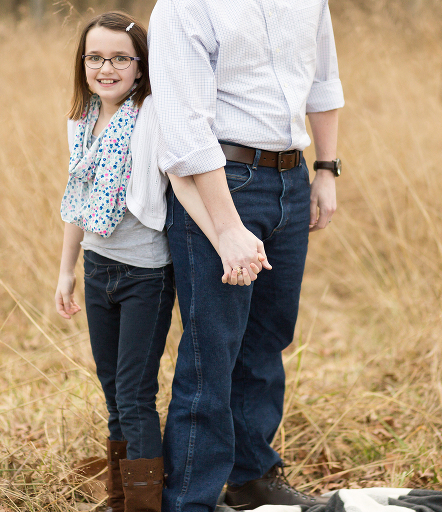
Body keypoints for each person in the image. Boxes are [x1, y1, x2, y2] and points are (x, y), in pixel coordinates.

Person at [54, 12, 262, 512]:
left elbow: (182, 182)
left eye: (120, 58)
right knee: (112, 391)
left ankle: (145, 505)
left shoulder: (150, 115)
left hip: (143, 274)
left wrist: (223, 238)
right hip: (98, 265)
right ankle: (120, 496)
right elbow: (75, 200)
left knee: (133, 392)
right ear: (83, 64)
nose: (107, 68)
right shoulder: (80, 121)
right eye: (96, 58)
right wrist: (66, 271)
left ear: (142, 67)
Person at [147, 1, 345, 511]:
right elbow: (184, 126)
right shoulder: (185, 8)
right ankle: (190, 498)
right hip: (221, 179)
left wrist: (325, 169)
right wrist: (226, 225)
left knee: (268, 336)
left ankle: (253, 477)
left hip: (291, 177)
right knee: (212, 346)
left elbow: (322, 81)